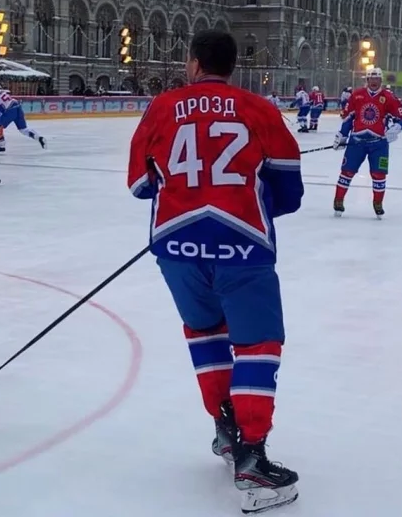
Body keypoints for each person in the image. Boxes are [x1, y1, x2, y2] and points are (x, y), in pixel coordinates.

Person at [128, 30, 304, 514]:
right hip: (242, 246)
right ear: (230, 66)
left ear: (193, 63)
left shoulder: (162, 108)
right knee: (257, 344)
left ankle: (227, 428)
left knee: (205, 334)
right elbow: (289, 192)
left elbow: (141, 184)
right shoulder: (260, 110)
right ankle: (252, 452)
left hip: (176, 247)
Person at [332, 67, 402, 218]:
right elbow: (348, 118)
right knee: (347, 172)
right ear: (367, 80)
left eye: (377, 79)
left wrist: (396, 128)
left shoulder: (389, 97)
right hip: (357, 142)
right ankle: (338, 200)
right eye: (371, 79)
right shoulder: (357, 95)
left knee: (379, 174)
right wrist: (342, 135)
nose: (374, 82)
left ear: (381, 80)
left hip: (379, 143)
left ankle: (378, 203)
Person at [0, 81, 46, 152]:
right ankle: (38, 137)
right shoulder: (1, 91)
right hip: (17, 106)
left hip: (10, 110)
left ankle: (2, 146)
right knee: (23, 129)